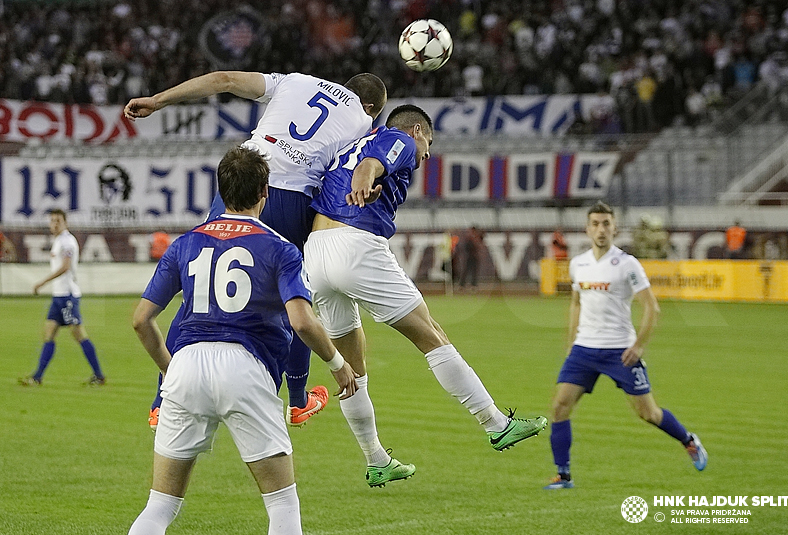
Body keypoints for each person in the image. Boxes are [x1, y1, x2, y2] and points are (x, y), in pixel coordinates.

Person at [124, 70, 387, 427]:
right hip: (292, 195)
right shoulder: (364, 122)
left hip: (243, 179)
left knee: (200, 286)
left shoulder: (294, 81)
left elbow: (224, 80)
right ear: (370, 106)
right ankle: (297, 400)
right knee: (293, 298)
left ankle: (161, 402)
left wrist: (158, 100)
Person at [304, 104, 548, 487]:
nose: (428, 153)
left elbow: (355, 164)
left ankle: (376, 459)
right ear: (417, 130)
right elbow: (371, 164)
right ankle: (496, 423)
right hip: (356, 243)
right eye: (429, 143)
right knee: (432, 334)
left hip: (315, 253)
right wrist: (364, 181)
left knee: (351, 368)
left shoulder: (348, 145)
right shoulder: (399, 138)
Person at [128, 147, 358, 535]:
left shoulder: (184, 244)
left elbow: (140, 321)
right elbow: (302, 321)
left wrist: (171, 370)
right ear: (265, 192)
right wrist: (338, 364)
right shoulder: (281, 248)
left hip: (185, 367)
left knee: (160, 506)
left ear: (221, 191)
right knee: (282, 504)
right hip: (245, 369)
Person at [543, 201, 707, 490]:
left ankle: (689, 441)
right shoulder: (578, 264)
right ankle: (563, 475)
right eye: (595, 223)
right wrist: (571, 343)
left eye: (606, 223)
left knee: (648, 414)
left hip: (620, 351)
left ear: (615, 228)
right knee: (559, 407)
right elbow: (576, 302)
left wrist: (639, 346)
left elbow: (651, 308)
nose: (601, 229)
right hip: (584, 349)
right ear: (587, 228)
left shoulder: (627, 264)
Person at [19, 209, 105, 386]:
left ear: (65, 222)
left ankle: (99, 375)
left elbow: (65, 266)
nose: (54, 224)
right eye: (52, 221)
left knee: (78, 334)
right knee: (49, 333)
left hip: (67, 296)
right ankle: (37, 377)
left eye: (58, 220)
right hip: (58, 297)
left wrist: (42, 282)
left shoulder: (66, 241)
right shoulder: (59, 241)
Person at [459, 226, 484, 290]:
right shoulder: (469, 238)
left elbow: (481, 242)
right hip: (469, 256)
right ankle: (462, 285)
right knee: (466, 271)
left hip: (475, 257)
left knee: (474, 271)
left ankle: (473, 285)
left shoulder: (476, 237)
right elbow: (465, 247)